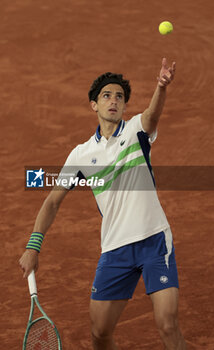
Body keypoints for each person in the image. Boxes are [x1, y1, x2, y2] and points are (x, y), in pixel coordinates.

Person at [19, 58, 186, 350]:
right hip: (114, 249)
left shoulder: (135, 131)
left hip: (154, 241)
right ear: (93, 105)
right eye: (106, 95)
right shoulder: (82, 155)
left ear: (124, 106)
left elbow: (152, 114)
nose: (114, 100)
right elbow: (52, 202)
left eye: (119, 96)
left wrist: (161, 86)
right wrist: (33, 246)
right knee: (99, 332)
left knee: (168, 324)